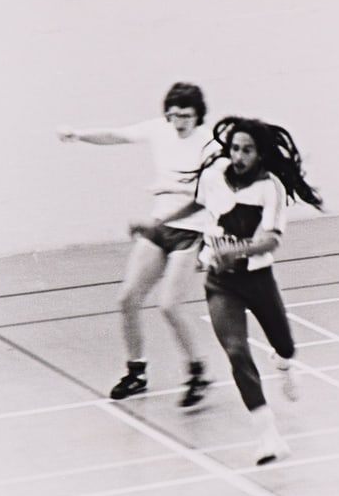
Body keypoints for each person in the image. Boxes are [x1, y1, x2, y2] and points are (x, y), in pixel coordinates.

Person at [130, 116, 323, 465]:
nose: (239, 156)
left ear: (260, 154)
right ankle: (268, 436)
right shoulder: (214, 175)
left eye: (247, 150)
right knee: (236, 351)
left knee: (285, 346)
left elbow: (270, 242)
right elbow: (197, 205)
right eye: (235, 148)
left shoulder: (271, 188)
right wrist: (157, 224)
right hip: (222, 284)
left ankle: (283, 363)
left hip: (258, 281)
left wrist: (233, 250)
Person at [57, 82, 219, 406]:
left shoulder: (211, 147)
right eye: (173, 115)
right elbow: (117, 135)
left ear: (198, 114)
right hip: (159, 229)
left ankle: (198, 371)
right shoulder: (160, 130)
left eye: (185, 115)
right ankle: (136, 372)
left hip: (190, 233)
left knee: (170, 306)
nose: (178, 122)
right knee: (128, 298)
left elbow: (206, 199)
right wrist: (78, 134)